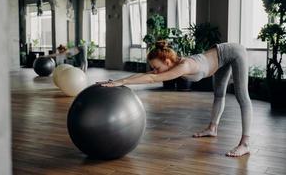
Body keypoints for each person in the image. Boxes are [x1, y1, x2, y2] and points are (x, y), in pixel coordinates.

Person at [101, 40, 253, 157]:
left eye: (156, 67)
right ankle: (212, 129)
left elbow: (152, 79)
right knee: (219, 94)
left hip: (234, 52)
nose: (155, 71)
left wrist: (122, 82)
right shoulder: (173, 63)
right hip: (219, 57)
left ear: (167, 62)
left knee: (242, 96)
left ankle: (245, 144)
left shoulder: (184, 66)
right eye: (154, 67)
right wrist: (119, 80)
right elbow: (149, 75)